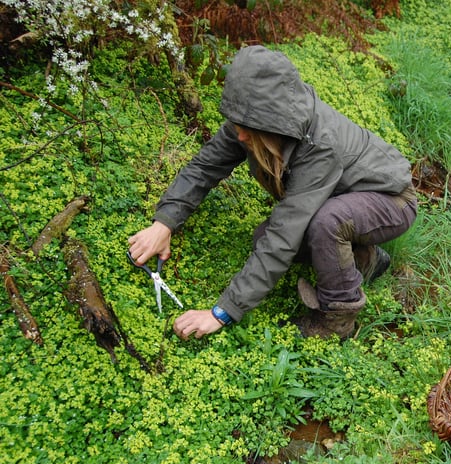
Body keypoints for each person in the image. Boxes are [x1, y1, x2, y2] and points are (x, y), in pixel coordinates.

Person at [127, 45, 417, 341]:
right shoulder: (252, 121)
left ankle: (337, 320)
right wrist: (164, 223)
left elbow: (283, 236)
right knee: (262, 238)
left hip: (389, 199)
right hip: (343, 196)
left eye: (247, 127)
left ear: (273, 119)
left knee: (328, 223)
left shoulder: (318, 145)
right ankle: (364, 260)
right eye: (238, 123)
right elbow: (205, 167)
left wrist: (222, 311)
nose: (239, 135)